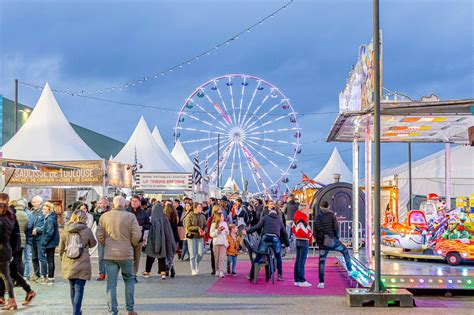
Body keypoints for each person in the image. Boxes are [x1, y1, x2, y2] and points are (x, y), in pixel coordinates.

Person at [96, 196, 141, 315]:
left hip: (110, 255)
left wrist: (106, 243)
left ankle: (113, 311)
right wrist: (131, 244)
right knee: (129, 280)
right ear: (125, 205)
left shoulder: (104, 216)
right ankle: (130, 309)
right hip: (126, 254)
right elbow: (137, 235)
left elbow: (99, 234)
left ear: (113, 204)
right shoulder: (131, 217)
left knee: (111, 283)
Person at [59, 210, 97, 315]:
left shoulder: (65, 230)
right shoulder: (87, 230)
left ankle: (76, 310)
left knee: (72, 288)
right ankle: (76, 312)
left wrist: (62, 261)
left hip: (69, 262)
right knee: (79, 288)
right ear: (84, 219)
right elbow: (93, 244)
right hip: (82, 262)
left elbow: (61, 249)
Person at [315, 200, 357, 289]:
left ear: (321, 207)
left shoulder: (317, 217)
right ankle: (350, 270)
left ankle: (321, 282)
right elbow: (336, 228)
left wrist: (317, 240)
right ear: (329, 206)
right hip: (331, 240)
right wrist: (337, 238)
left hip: (322, 242)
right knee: (345, 250)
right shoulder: (331, 215)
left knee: (322, 261)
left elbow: (315, 230)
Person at [245, 200, 290, 282]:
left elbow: (257, 227)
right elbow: (285, 233)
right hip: (275, 238)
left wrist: (247, 231)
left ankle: (251, 274)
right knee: (278, 256)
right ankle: (280, 275)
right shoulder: (279, 220)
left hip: (265, 237)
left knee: (259, 255)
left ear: (269, 213)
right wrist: (287, 245)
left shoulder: (265, 218)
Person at [143, 204, 177, 280]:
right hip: (163, 241)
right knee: (161, 256)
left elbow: (147, 231)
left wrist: (144, 240)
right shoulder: (165, 219)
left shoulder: (151, 219)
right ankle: (163, 272)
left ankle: (147, 272)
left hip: (152, 241)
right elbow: (168, 232)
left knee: (150, 257)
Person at [126, 195, 151, 282]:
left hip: (139, 239)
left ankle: (134, 274)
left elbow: (148, 224)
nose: (134, 202)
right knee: (129, 258)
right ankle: (128, 274)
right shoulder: (126, 212)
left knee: (136, 258)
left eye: (136, 201)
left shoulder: (143, 213)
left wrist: (142, 227)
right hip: (128, 239)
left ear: (139, 202)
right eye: (132, 201)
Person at [0, 203, 17, 310]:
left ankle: (11, 300)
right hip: (6, 249)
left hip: (2, 251)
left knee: (5, 276)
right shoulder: (8, 220)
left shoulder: (1, 222)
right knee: (5, 276)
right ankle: (11, 300)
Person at [292, 204, 313, 287]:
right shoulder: (302, 217)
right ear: (303, 209)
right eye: (308, 208)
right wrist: (309, 233)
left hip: (298, 240)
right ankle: (302, 280)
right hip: (304, 240)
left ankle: (296, 279)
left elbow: (293, 229)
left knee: (298, 261)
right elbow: (303, 231)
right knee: (302, 261)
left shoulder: (296, 216)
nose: (309, 210)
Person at [184, 202, 207, 275]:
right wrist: (198, 228)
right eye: (199, 207)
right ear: (195, 208)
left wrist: (204, 231)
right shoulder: (189, 216)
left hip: (200, 236)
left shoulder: (203, 216)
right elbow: (188, 227)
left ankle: (196, 263)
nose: (201, 208)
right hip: (192, 236)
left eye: (201, 207)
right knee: (192, 253)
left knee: (201, 252)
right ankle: (193, 268)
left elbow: (206, 226)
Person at [42, 201, 60, 285]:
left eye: (45, 209)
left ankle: (50, 278)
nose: (43, 210)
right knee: (50, 259)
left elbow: (49, 232)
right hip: (52, 242)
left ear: (49, 210)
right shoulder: (51, 218)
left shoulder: (49, 219)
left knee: (50, 260)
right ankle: (51, 277)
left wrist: (44, 242)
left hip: (50, 243)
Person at [30, 195, 47, 282]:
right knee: (34, 257)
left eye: (34, 202)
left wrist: (38, 229)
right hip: (33, 239)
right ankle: (36, 274)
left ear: (40, 202)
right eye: (32, 202)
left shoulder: (44, 212)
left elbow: (47, 225)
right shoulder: (32, 213)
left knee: (41, 257)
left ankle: (44, 275)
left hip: (40, 238)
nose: (32, 204)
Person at [94, 197, 110, 281]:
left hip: (110, 236)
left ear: (107, 204)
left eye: (103, 203)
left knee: (110, 257)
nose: (101, 205)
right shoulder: (96, 213)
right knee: (101, 256)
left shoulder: (111, 212)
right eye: (100, 203)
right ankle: (102, 273)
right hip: (100, 237)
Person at [209, 209, 229, 278]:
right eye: (222, 216)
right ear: (218, 217)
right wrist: (217, 232)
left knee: (222, 257)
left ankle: (221, 271)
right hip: (216, 242)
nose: (223, 218)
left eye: (223, 216)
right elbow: (211, 234)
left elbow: (227, 232)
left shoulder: (225, 224)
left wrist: (227, 232)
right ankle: (217, 270)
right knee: (216, 257)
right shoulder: (213, 224)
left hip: (223, 242)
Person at [163, 204, 179, 277]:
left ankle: (169, 268)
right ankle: (171, 268)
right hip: (175, 237)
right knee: (171, 254)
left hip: (168, 237)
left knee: (167, 255)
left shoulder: (164, 218)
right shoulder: (175, 217)